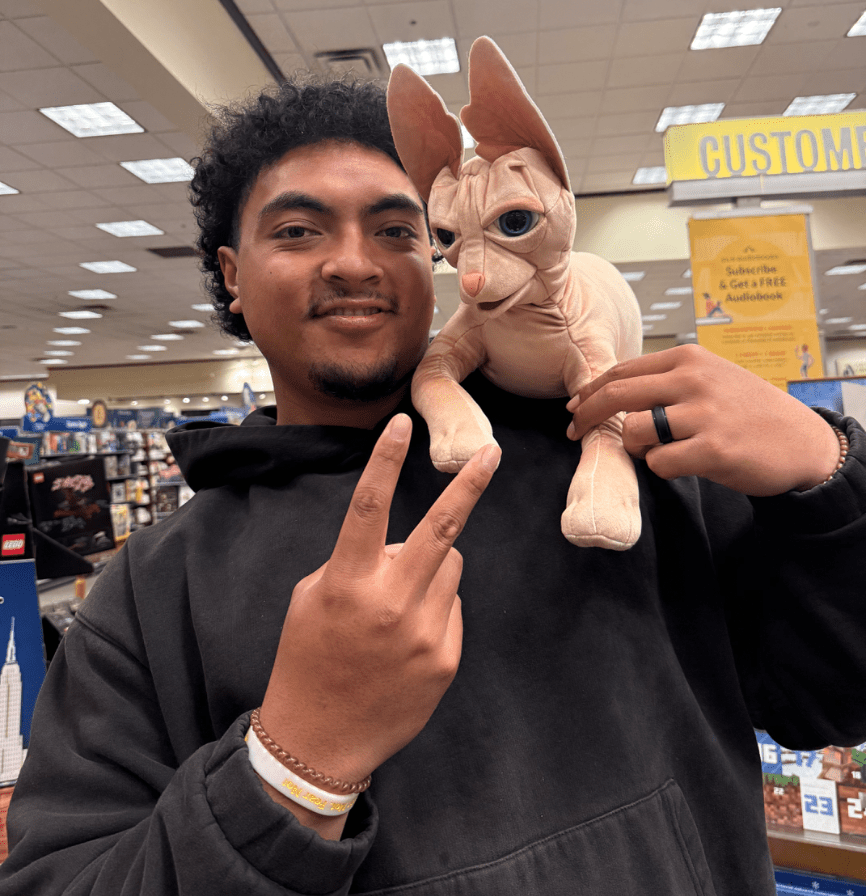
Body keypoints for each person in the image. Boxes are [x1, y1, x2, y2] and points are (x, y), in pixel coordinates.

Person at [1, 75, 864, 895]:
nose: (353, 262)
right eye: (297, 231)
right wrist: (293, 764)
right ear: (232, 273)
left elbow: (835, 697)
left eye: (395, 230)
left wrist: (828, 475)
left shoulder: (614, 450)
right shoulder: (154, 591)